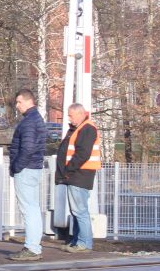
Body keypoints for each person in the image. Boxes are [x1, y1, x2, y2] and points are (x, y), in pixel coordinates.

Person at [54, 103, 100, 253]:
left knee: (80, 211)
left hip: (79, 175)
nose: (69, 118)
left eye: (71, 115)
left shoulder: (87, 129)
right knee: (77, 211)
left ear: (80, 114)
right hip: (76, 175)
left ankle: (84, 243)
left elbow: (82, 153)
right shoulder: (80, 129)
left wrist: (68, 170)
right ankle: (77, 241)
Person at [8, 89, 47, 261]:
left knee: (28, 209)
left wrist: (17, 166)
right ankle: (34, 246)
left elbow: (28, 148)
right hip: (34, 168)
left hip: (26, 169)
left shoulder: (29, 122)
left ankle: (32, 247)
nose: (17, 106)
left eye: (19, 102)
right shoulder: (36, 119)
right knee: (33, 209)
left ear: (28, 101)